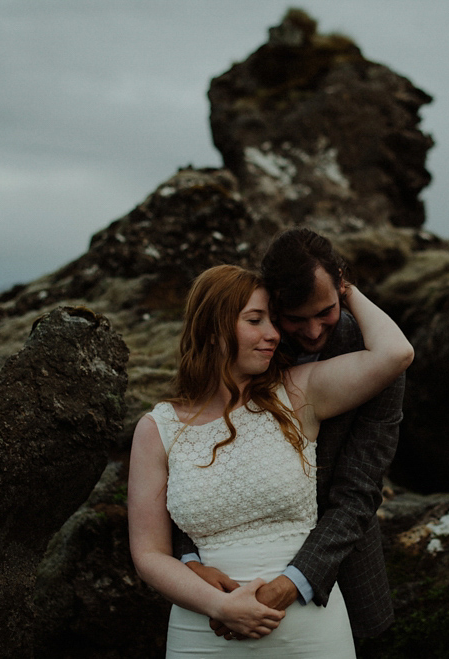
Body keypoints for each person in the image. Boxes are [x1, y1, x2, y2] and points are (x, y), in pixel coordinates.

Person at [128, 263, 413, 657]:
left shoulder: (298, 394)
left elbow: (396, 353)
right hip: (205, 629)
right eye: (255, 320)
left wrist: (343, 289)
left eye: (272, 321)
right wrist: (220, 606)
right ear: (213, 330)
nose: (274, 334)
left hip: (308, 628)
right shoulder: (155, 429)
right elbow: (148, 554)